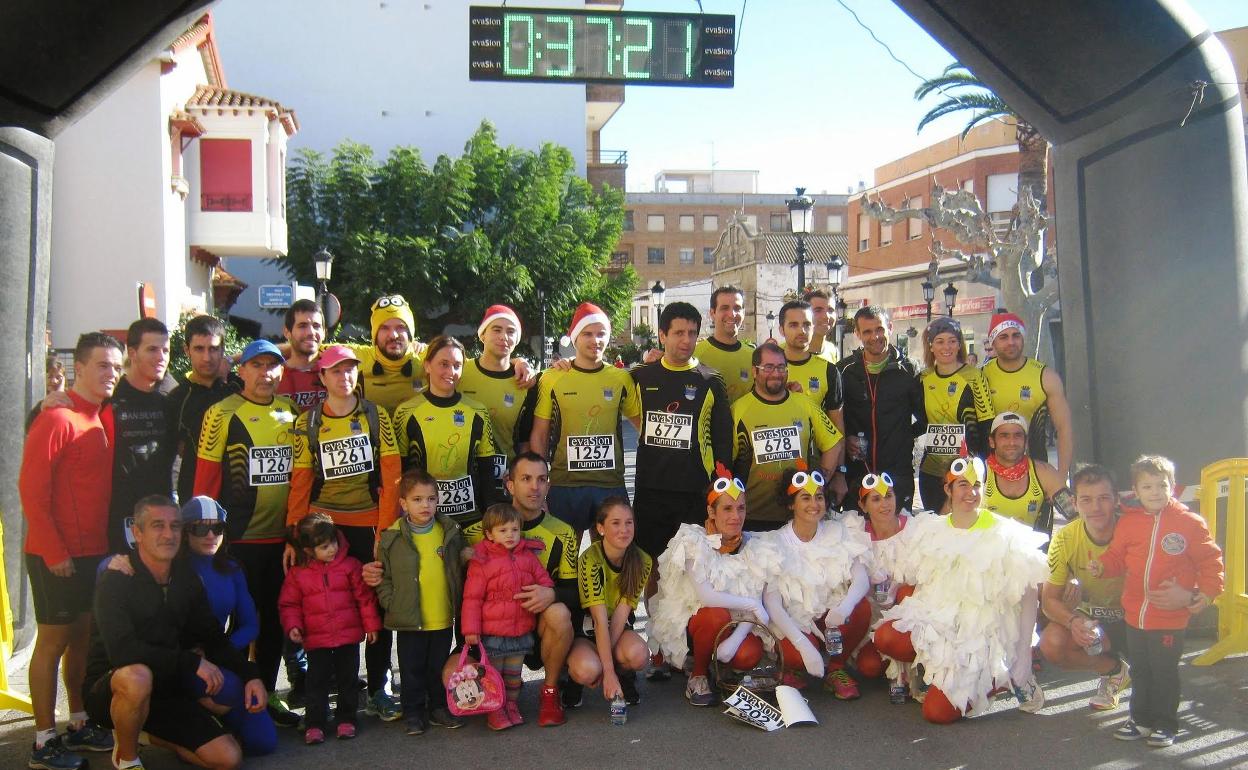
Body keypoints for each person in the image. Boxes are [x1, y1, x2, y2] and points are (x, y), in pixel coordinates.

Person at [84, 496, 266, 770]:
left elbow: (212, 636)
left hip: (167, 687)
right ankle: (127, 758)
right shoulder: (117, 578)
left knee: (228, 758)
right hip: (114, 687)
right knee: (137, 676)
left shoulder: (185, 578)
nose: (168, 534)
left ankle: (143, 731)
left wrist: (251, 675)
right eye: (158, 526)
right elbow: (124, 652)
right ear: (137, 532)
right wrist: (192, 663)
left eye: (175, 526)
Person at [872, 457, 1049, 724]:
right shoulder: (931, 529)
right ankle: (933, 669)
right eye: (962, 484)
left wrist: (1023, 654)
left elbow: (1028, 594)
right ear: (948, 489)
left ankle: (1004, 676)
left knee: (936, 713)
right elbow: (912, 576)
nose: (971, 492)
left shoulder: (1005, 533)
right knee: (886, 636)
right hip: (939, 621)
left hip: (980, 635)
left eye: (977, 485)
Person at [20, 332, 122, 769]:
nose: (111, 374)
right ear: (77, 367)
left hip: (91, 552)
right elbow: (31, 491)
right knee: (52, 642)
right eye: (102, 365)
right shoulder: (57, 419)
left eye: (116, 366)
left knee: (81, 639)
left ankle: (77, 722)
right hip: (54, 554)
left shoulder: (101, 415)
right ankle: (44, 741)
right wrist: (53, 549)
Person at [284, 343, 402, 719]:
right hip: (324, 525)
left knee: (377, 607)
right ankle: (328, 688)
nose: (344, 376)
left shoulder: (375, 415)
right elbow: (300, 481)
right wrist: (295, 537)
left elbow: (392, 474)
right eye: (336, 370)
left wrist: (385, 528)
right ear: (322, 377)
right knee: (328, 604)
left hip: (368, 522)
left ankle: (379, 684)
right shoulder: (307, 422)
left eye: (350, 369)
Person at [193, 339, 300, 727]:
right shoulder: (221, 413)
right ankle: (224, 697)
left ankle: (266, 694)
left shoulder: (291, 412)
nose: (266, 373)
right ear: (242, 370)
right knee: (230, 622)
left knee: (272, 624)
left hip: (278, 542)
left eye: (273, 366)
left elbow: (300, 479)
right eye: (257, 365)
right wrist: (201, 536)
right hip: (235, 540)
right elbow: (205, 478)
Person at [1090, 455, 1223, 748]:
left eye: (1161, 485)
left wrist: (1208, 593)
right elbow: (1115, 557)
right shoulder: (1128, 524)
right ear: (1136, 491)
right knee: (1140, 669)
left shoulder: (1189, 523)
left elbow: (1211, 561)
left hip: (1170, 618)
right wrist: (1102, 566)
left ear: (1173, 487)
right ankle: (1141, 720)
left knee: (1163, 672)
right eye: (1147, 486)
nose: (1155, 492)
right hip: (1135, 615)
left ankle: (1166, 724)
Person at [461, 451, 579, 725]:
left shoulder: (563, 532)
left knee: (559, 613)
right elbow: (462, 590)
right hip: (492, 632)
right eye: (526, 478)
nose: (534, 487)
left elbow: (576, 594)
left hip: (536, 629)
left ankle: (550, 692)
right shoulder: (480, 530)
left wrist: (552, 593)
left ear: (549, 485)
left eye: (541, 479)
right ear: (509, 484)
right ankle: (496, 702)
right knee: (449, 676)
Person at [628, 301, 733, 596]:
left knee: (694, 569)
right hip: (651, 490)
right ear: (662, 335)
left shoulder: (711, 380)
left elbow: (723, 438)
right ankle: (658, 637)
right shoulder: (641, 376)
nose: (686, 340)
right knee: (652, 568)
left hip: (695, 491)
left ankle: (687, 637)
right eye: (678, 333)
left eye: (692, 333)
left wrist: (721, 485)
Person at [646, 466, 768, 706]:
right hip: (696, 626)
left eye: (741, 508)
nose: (735, 516)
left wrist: (737, 638)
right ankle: (698, 674)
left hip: (733, 624)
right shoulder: (693, 541)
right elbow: (707, 596)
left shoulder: (755, 545)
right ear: (711, 511)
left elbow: (754, 598)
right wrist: (752, 604)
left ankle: (723, 668)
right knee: (715, 615)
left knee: (749, 654)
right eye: (727, 508)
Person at [753, 464, 873, 698]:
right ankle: (795, 666)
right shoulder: (773, 543)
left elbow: (861, 580)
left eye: (819, 497)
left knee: (861, 608)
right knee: (796, 655)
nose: (814, 504)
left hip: (830, 619)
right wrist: (803, 645)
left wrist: (845, 607)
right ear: (791, 504)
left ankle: (836, 669)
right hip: (795, 623)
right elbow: (773, 605)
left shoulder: (838, 532)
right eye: (805, 498)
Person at [530, 302, 639, 539]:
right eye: (587, 334)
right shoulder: (552, 378)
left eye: (601, 334)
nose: (595, 340)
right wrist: (540, 483)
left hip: (610, 484)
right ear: (574, 337)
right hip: (565, 485)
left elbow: (643, 425)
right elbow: (539, 434)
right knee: (564, 561)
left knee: (611, 559)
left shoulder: (621, 378)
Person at [377, 468, 470, 736]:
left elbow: (460, 567)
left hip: (441, 616)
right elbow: (383, 575)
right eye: (417, 499)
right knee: (411, 669)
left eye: (431, 499)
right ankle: (413, 712)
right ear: (403, 504)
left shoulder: (449, 531)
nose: (425, 505)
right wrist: (390, 602)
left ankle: (439, 707)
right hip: (408, 618)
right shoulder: (392, 536)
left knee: (437, 667)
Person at [279, 513, 383, 744]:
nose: (332, 550)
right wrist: (293, 625)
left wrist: (372, 625)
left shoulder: (350, 566)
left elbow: (364, 599)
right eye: (324, 547)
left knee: (348, 680)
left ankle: (347, 718)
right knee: (316, 682)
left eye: (333, 543)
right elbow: (289, 604)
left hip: (348, 636)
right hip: (316, 640)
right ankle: (315, 722)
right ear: (308, 550)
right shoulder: (298, 574)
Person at [1038, 464, 1131, 712]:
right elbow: (1049, 601)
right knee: (1051, 643)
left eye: (1103, 498)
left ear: (1116, 500)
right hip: (1095, 620)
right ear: (1075, 503)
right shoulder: (1065, 537)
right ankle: (1113, 671)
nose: (1096, 508)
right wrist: (1073, 622)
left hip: (1137, 619)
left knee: (1153, 678)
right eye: (1086, 500)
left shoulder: (1134, 531)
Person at [730, 341, 844, 529]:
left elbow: (834, 443)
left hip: (798, 517)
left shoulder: (804, 404)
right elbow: (725, 462)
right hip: (753, 517)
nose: (776, 373)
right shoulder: (738, 410)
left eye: (781, 367)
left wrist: (819, 482)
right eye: (768, 367)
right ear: (754, 371)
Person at [462, 503, 555, 730]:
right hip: (493, 633)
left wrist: (546, 591)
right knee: (493, 675)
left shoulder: (528, 557)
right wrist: (470, 630)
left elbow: (544, 581)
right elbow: (472, 598)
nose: (510, 535)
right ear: (489, 534)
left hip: (521, 629)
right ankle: (495, 709)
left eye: (514, 529)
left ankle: (511, 705)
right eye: (503, 531)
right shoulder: (482, 561)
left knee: (514, 675)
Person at [393, 335, 498, 527]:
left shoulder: (478, 411)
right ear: (427, 366)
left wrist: (490, 512)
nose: (451, 371)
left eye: (457, 365)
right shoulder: (406, 411)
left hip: (470, 517)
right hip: (424, 520)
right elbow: (398, 469)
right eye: (444, 364)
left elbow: (487, 469)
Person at [565, 498, 652, 708]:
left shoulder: (643, 560)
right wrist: (607, 671)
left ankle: (624, 677)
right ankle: (573, 681)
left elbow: (621, 616)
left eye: (628, 522)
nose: (624, 530)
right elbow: (599, 620)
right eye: (616, 523)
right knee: (587, 669)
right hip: (587, 632)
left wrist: (609, 669)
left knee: (640, 655)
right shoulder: (590, 558)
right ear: (600, 528)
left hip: (617, 630)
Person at [836, 305, 924, 511]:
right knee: (856, 536)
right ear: (857, 334)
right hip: (857, 471)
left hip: (897, 472)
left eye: (880, 329)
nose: (875, 336)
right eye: (867, 331)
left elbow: (924, 416)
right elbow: (833, 417)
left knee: (898, 536)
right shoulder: (843, 370)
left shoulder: (909, 369)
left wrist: (903, 437)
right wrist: (847, 436)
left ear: (890, 328)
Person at [456, 305, 539, 501]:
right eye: (496, 329)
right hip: (461, 479)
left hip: (505, 480)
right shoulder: (459, 371)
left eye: (511, 332)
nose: (504, 337)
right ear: (482, 335)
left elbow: (525, 441)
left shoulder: (526, 382)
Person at [108, 317, 176, 552]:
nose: (161, 357)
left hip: (163, 522)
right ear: (132, 352)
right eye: (152, 349)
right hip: (118, 524)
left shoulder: (170, 404)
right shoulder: (109, 401)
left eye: (165, 350)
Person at [981, 311, 1074, 476]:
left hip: (1034, 472)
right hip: (991, 475)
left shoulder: (1045, 377)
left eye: (1016, 335)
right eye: (1003, 337)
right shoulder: (980, 377)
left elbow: (1064, 428)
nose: (1011, 342)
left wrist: (1061, 475)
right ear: (992, 342)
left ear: (1023, 338)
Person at [916, 317, 994, 512]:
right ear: (931, 345)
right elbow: (919, 422)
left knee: (963, 530)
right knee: (935, 528)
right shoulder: (923, 378)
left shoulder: (974, 377)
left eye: (952, 341)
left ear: (960, 344)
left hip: (965, 469)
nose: (946, 347)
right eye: (940, 341)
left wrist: (984, 466)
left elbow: (987, 425)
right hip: (931, 469)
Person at [852, 473, 917, 698]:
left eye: (888, 496)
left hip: (911, 614)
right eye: (876, 499)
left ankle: (909, 667)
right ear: (863, 505)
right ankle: (888, 657)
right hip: (874, 620)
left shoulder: (916, 529)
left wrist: (899, 588)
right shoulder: (856, 536)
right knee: (868, 668)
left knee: (908, 592)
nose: (885, 504)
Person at [168, 315, 234, 505]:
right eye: (199, 349)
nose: (207, 357)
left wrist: (233, 360)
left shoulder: (238, 388)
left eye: (214, 349)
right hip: (196, 499)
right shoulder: (176, 399)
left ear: (223, 350)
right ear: (187, 350)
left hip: (240, 501)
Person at [982, 411, 1069, 540]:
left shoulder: (1044, 473)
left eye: (1017, 436)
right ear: (992, 442)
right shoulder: (978, 472)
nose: (1011, 442)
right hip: (985, 554)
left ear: (1026, 442)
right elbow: (948, 518)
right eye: (1004, 436)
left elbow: (1074, 513)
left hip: (1028, 553)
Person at [777, 299, 845, 435]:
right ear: (781, 330)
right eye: (793, 325)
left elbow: (837, 430)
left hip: (815, 453)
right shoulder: (767, 369)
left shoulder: (829, 371)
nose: (802, 331)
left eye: (807, 324)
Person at [693, 285, 756, 403]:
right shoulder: (695, 355)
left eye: (737, 308)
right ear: (712, 313)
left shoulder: (754, 357)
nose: (732, 314)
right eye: (724, 308)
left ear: (743, 313)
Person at [276, 299, 327, 411]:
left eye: (316, 326)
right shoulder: (272, 376)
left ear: (324, 332)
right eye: (302, 326)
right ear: (287, 332)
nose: (311, 332)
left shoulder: (337, 370)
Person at [802, 288, 840, 362]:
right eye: (818, 310)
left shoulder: (832, 351)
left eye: (830, 310)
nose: (826, 316)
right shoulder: (783, 353)